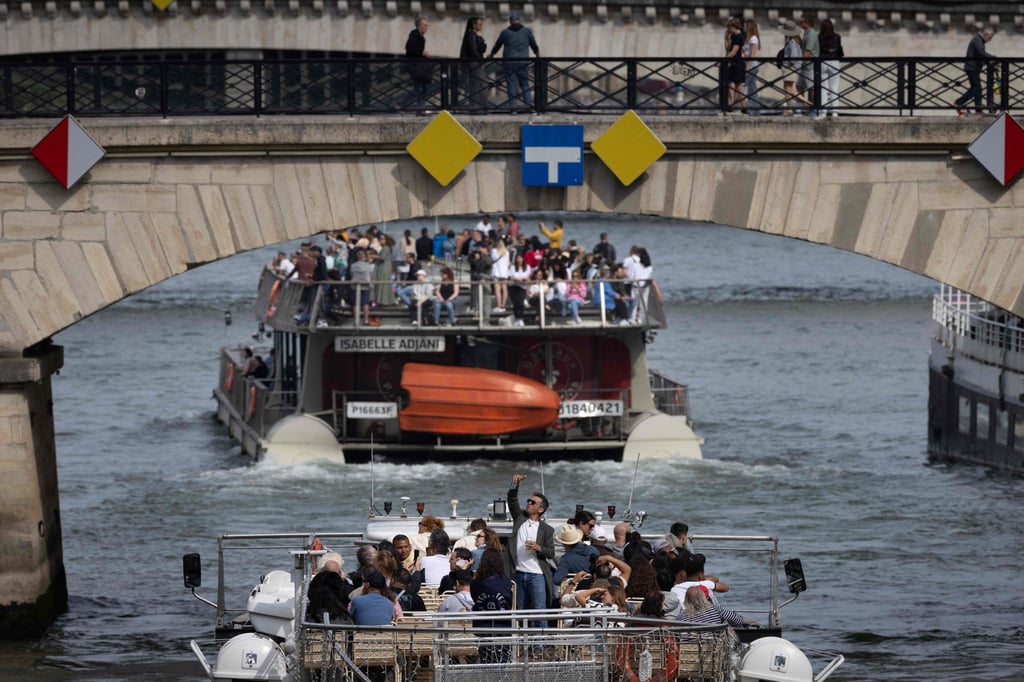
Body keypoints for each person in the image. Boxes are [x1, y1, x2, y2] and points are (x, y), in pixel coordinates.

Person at [505, 473, 555, 617]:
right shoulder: (520, 518)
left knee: (539, 612)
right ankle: (522, 639)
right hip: (518, 573)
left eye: (533, 503)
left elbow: (551, 553)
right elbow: (512, 500)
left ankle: (540, 639)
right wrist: (515, 484)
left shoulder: (547, 529)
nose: (529, 503)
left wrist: (539, 548)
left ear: (540, 510)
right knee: (521, 611)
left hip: (537, 575)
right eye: (529, 501)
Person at [488, 12, 540, 112]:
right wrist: (537, 56)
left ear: (510, 21)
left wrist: (492, 55)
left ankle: (513, 108)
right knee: (524, 84)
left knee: (511, 84)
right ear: (519, 20)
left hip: (509, 62)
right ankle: (529, 106)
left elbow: (497, 45)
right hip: (523, 62)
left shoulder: (505, 32)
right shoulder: (526, 31)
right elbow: (534, 45)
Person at [471, 548, 514, 663]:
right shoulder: (506, 582)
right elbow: (509, 601)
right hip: (503, 626)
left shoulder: (475, 583)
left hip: (483, 626)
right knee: (503, 662)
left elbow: (474, 598)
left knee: (486, 662)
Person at [954, 28, 996, 119]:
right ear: (986, 34)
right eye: (990, 37)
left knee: (977, 89)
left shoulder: (979, 40)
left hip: (973, 67)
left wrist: (987, 61)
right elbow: (981, 53)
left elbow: (978, 55)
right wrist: (993, 57)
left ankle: (978, 110)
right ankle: (958, 102)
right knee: (976, 88)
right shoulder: (977, 40)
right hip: (972, 68)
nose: (990, 40)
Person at [679, 585, 755, 627]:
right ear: (705, 598)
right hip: (714, 650)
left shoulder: (680, 617)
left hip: (688, 651)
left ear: (686, 600)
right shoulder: (715, 609)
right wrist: (756, 623)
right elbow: (737, 620)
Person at [401, 16, 433, 112]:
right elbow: (409, 47)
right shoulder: (414, 34)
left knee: (422, 88)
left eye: (427, 26)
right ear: (419, 25)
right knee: (419, 88)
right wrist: (421, 53)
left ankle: (420, 109)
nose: (426, 28)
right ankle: (401, 103)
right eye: (424, 25)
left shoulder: (421, 36)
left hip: (419, 66)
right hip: (414, 66)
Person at [459, 16, 488, 109]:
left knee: (477, 85)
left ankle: (477, 106)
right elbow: (473, 50)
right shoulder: (471, 35)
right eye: (479, 24)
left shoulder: (472, 35)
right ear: (474, 25)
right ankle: (479, 106)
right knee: (480, 85)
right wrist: (481, 61)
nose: (481, 26)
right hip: (475, 63)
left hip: (475, 62)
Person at [818, 18, 844, 117]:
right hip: (834, 62)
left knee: (823, 88)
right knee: (834, 88)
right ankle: (835, 112)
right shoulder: (837, 37)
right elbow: (840, 51)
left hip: (822, 62)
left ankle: (823, 111)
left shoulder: (819, 37)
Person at [347, 248, 379, 326]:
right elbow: (371, 275)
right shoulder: (368, 266)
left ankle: (356, 321)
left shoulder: (353, 266)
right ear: (364, 257)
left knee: (356, 304)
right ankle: (366, 320)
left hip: (355, 286)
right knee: (365, 304)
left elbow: (351, 274)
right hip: (366, 286)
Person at [798, 13, 820, 116]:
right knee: (799, 86)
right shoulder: (806, 33)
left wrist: (799, 61)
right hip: (804, 65)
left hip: (809, 65)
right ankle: (804, 107)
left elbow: (808, 51)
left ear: (807, 22)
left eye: (801, 22)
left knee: (811, 88)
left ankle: (812, 109)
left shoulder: (811, 34)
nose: (800, 24)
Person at [724, 17, 745, 112]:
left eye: (729, 28)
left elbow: (733, 52)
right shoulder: (734, 37)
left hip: (737, 64)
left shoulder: (739, 37)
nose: (729, 30)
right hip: (734, 63)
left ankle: (743, 106)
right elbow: (728, 49)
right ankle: (730, 104)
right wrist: (726, 38)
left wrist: (724, 60)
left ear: (734, 26)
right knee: (731, 84)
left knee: (738, 86)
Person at [780, 33, 804, 114]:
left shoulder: (792, 42)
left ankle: (789, 109)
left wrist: (789, 64)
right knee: (791, 89)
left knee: (788, 89)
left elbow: (793, 56)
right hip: (793, 68)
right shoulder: (796, 42)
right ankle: (809, 103)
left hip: (790, 68)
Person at [742, 18, 761, 114]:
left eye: (745, 26)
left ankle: (744, 108)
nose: (744, 27)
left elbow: (752, 56)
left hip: (751, 65)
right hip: (750, 64)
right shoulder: (749, 38)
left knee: (742, 85)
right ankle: (755, 110)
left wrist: (747, 69)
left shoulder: (753, 38)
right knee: (752, 87)